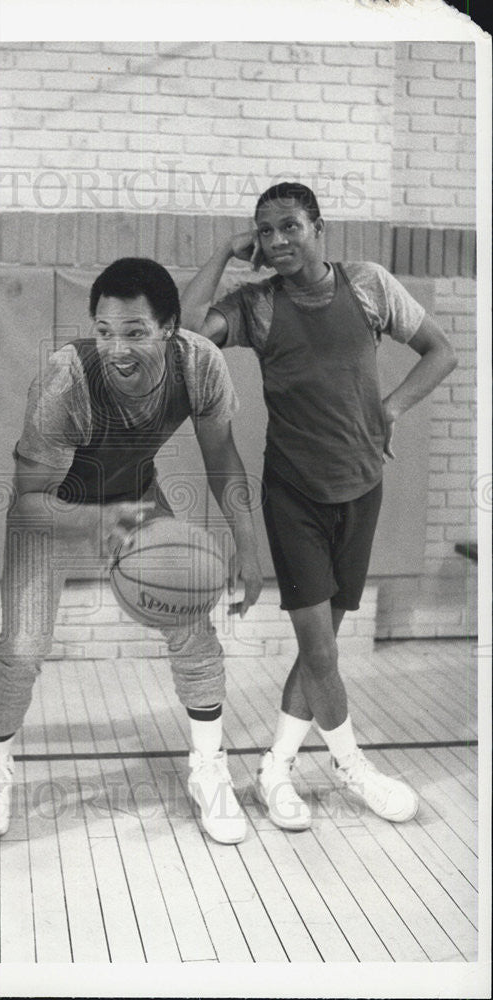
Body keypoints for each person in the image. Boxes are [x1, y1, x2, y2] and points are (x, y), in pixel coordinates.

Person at [180, 181, 457, 830]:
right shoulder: (256, 305)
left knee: (320, 646)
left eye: (289, 227)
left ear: (317, 226)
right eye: (264, 230)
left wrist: (390, 408)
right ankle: (350, 764)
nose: (276, 241)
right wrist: (224, 250)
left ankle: (275, 767)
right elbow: (191, 332)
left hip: (361, 487)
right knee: (323, 651)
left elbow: (440, 352)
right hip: (294, 496)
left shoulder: (367, 285)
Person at [0, 257, 263, 845]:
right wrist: (97, 520)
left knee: (194, 627)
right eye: (104, 332)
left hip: (133, 497)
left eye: (134, 333)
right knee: (23, 648)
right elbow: (26, 503)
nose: (116, 348)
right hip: (53, 511)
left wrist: (249, 551)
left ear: (171, 329)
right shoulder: (65, 379)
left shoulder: (199, 362)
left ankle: (209, 768)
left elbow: (223, 458)